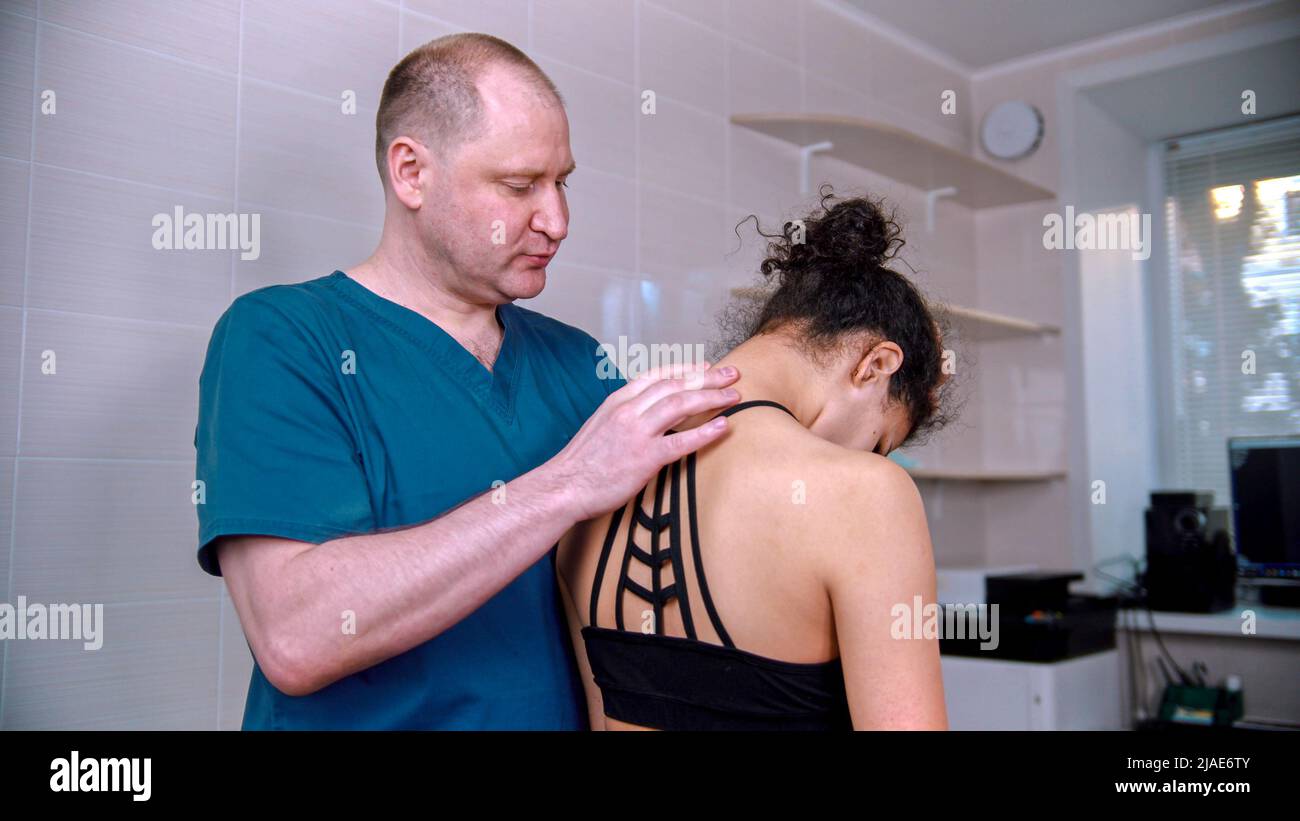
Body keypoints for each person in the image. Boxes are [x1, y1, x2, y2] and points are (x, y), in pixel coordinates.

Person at [193, 33, 742, 729]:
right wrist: (568, 483)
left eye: (562, 182)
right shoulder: (281, 337)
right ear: (412, 173)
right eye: (520, 186)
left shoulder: (579, 364)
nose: (558, 221)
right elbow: (295, 634)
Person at [557, 188, 954, 730]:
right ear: (876, 365)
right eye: (881, 440)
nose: (868, 457)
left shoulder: (590, 481)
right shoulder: (867, 493)